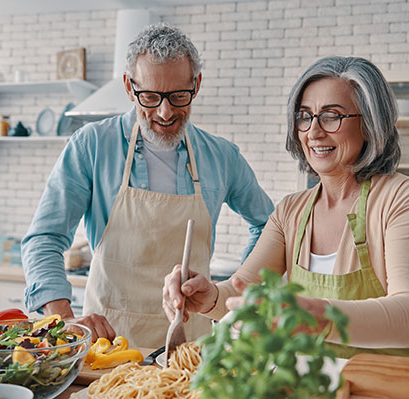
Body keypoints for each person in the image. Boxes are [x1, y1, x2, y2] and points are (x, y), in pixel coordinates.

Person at [163, 56, 409, 358]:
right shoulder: (290, 211)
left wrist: (318, 315)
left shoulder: (402, 197)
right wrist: (209, 296)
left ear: (370, 123)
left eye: (331, 116)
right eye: (305, 116)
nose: (314, 132)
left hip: (382, 387)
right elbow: (244, 289)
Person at [21, 23, 274, 347]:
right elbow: (44, 237)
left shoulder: (222, 156)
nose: (165, 112)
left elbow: (270, 228)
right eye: (150, 96)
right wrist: (64, 318)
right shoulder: (92, 145)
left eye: (178, 96)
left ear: (196, 85)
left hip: (191, 347)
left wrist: (237, 289)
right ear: (129, 87)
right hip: (108, 347)